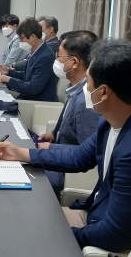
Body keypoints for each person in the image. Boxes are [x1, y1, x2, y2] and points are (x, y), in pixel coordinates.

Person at [0, 39, 131, 252]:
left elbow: (114, 236)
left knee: (19, 237)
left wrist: (57, 234)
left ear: (104, 92)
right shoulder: (119, 118)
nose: (85, 88)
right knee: (15, 219)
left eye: (88, 81)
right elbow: (79, 157)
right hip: (100, 217)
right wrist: (21, 153)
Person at [37, 31, 102, 196]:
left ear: (74, 62)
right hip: (59, 155)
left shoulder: (86, 101)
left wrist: (52, 147)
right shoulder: (78, 87)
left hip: (66, 172)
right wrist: (54, 134)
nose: (57, 59)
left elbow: (88, 154)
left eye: (59, 55)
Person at [0, 17, 58, 102]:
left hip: (38, 103)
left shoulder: (46, 57)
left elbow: (33, 88)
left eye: (21, 38)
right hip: (28, 97)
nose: (20, 42)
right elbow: (27, 76)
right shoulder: (36, 52)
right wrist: (8, 72)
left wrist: (9, 80)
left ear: (32, 37)